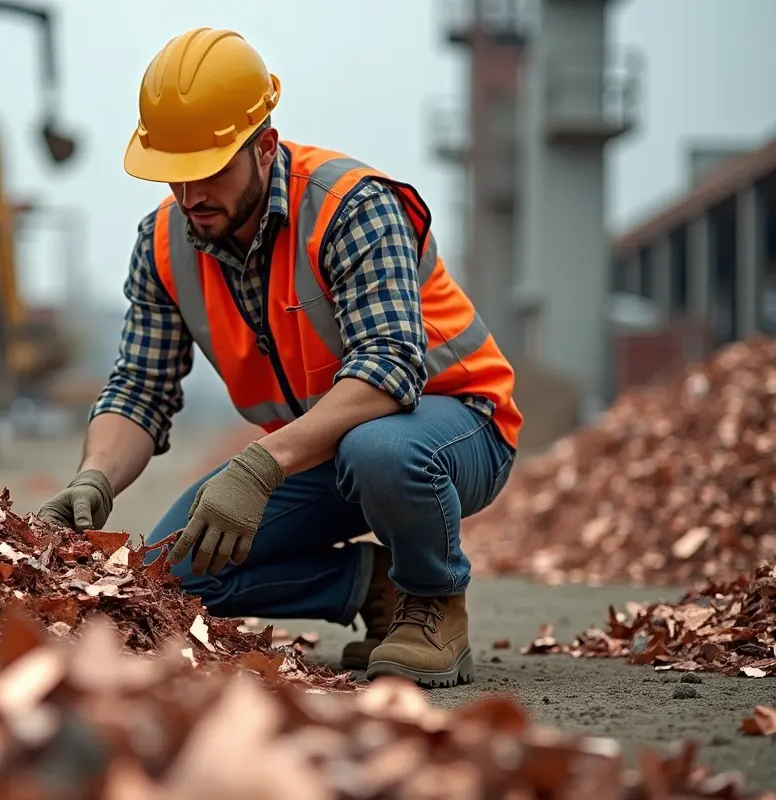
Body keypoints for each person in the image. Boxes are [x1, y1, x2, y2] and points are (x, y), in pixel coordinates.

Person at [37, 27, 521, 688]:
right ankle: (373, 587)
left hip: (454, 430)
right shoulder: (162, 245)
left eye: (209, 170)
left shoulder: (350, 206)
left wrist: (260, 466)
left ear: (264, 145)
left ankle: (433, 600)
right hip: (321, 452)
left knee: (380, 451)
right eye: (175, 173)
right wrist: (94, 477)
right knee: (167, 574)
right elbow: (139, 391)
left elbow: (389, 369)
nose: (190, 194)